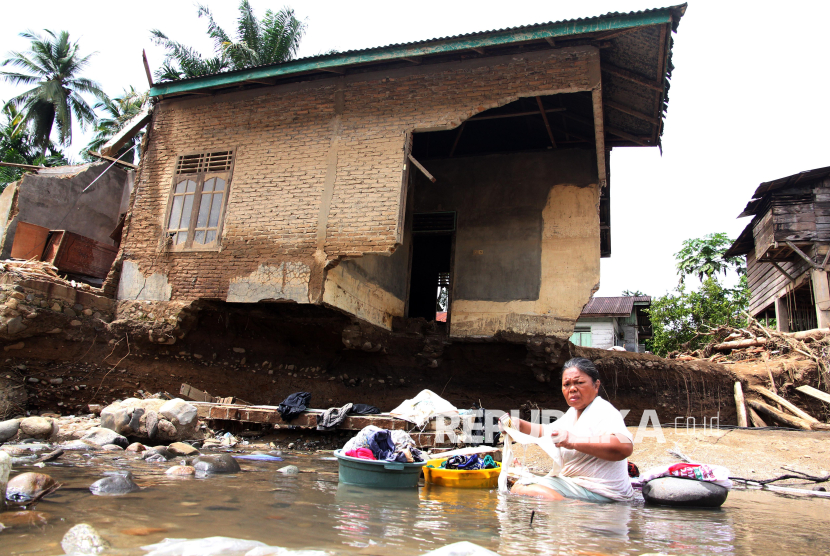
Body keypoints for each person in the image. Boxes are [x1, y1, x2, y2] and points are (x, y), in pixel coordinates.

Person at [500, 357, 634, 502]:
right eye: (566, 384)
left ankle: (570, 510)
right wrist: (518, 425)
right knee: (522, 485)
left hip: (605, 493)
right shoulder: (573, 412)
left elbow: (624, 447)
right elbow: (546, 432)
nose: (572, 389)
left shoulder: (603, 410)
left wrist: (573, 441)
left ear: (596, 386)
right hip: (579, 486)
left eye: (579, 383)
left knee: (520, 488)